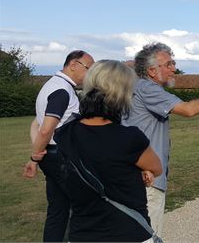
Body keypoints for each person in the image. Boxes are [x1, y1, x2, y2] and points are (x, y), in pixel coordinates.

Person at [123, 42, 199, 235]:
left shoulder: (134, 86)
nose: (174, 68)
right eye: (168, 64)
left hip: (134, 174)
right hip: (147, 180)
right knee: (148, 236)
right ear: (151, 70)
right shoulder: (149, 89)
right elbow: (188, 109)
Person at [52, 60, 162, 242]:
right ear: (123, 94)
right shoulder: (129, 138)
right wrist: (142, 169)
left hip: (83, 234)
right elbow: (156, 167)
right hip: (129, 233)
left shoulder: (65, 134)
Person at [23, 50, 94, 242]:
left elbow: (35, 123)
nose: (91, 74)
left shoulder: (52, 85)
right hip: (61, 157)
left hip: (53, 156)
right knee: (84, 207)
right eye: (89, 68)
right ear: (73, 65)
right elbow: (45, 129)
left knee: (58, 210)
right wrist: (35, 156)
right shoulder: (62, 90)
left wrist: (36, 156)